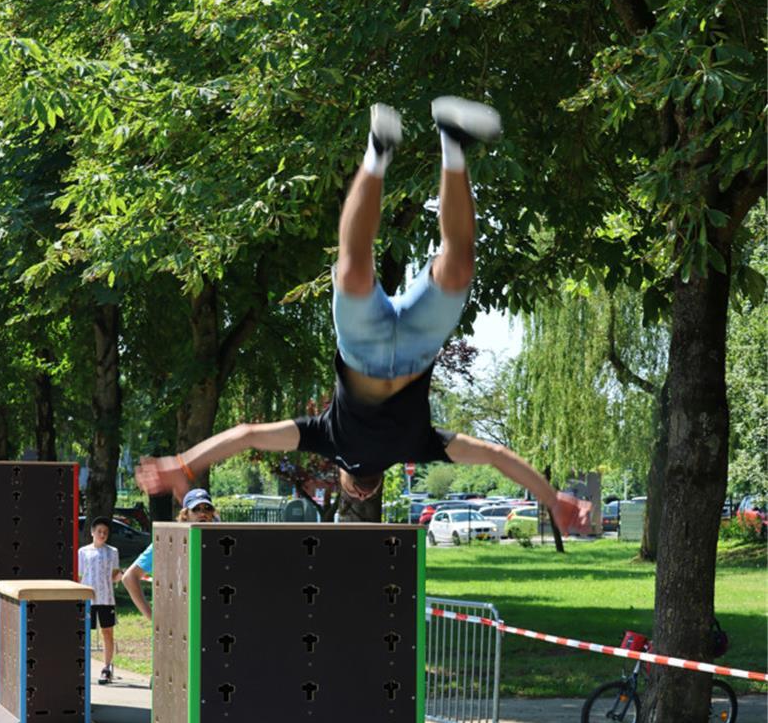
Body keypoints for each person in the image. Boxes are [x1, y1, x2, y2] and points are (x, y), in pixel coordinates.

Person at [135, 98, 591, 536]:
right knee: (458, 263)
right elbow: (494, 455)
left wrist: (187, 461)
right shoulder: (421, 446)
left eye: (353, 490)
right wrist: (550, 497)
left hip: (363, 346)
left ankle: (379, 151)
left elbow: (248, 433)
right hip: (418, 345)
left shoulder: (327, 437)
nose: (361, 489)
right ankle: (451, 140)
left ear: (341, 479)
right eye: (364, 490)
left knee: (354, 266)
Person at [122, 488, 219, 620]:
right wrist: (153, 618)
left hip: (212, 619)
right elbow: (129, 577)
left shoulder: (222, 542)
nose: (202, 513)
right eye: (196, 509)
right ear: (185, 515)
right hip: (177, 621)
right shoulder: (167, 540)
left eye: (207, 508)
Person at [78, 516, 122, 684]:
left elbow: (114, 575)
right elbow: (80, 575)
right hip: (88, 599)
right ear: (92, 532)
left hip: (106, 598)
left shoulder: (113, 552)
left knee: (107, 632)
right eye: (99, 532)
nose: (102, 535)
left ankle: (107, 667)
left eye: (105, 532)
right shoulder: (83, 552)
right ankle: (82, 667)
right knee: (84, 632)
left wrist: (120, 577)